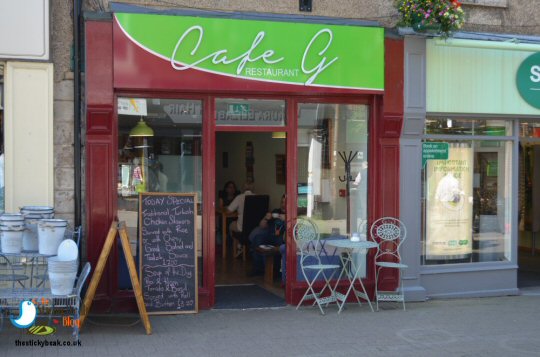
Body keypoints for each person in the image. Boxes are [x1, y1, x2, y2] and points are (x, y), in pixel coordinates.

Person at [248, 194, 286, 277]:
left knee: (280, 241)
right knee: (258, 238)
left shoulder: (292, 214)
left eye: (285, 202)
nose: (283, 205)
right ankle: (258, 269)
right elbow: (261, 226)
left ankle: (272, 271)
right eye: (282, 202)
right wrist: (265, 218)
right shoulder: (275, 211)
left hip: (281, 238)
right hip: (270, 235)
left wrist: (286, 219)